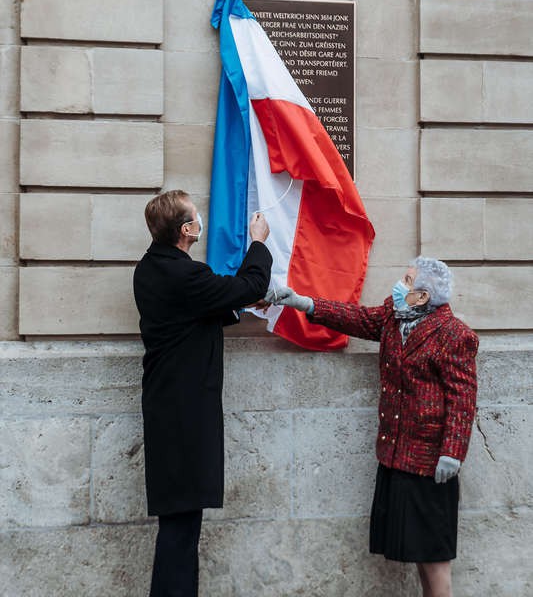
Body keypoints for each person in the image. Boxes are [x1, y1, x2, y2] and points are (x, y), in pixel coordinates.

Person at [267, 256, 478, 597]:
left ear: (423, 296)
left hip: (430, 464)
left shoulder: (454, 336)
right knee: (419, 555)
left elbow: (463, 400)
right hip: (396, 456)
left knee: (435, 557)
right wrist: (304, 303)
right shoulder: (394, 317)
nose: (399, 285)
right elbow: (357, 318)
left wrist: (452, 453)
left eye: (407, 281)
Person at [133, 189, 272, 597]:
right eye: (196, 217)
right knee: (180, 528)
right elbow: (248, 284)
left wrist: (227, 303)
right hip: (183, 413)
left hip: (168, 405)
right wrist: (259, 242)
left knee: (180, 524)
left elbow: (197, 312)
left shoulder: (152, 268)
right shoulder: (183, 274)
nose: (201, 221)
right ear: (186, 230)